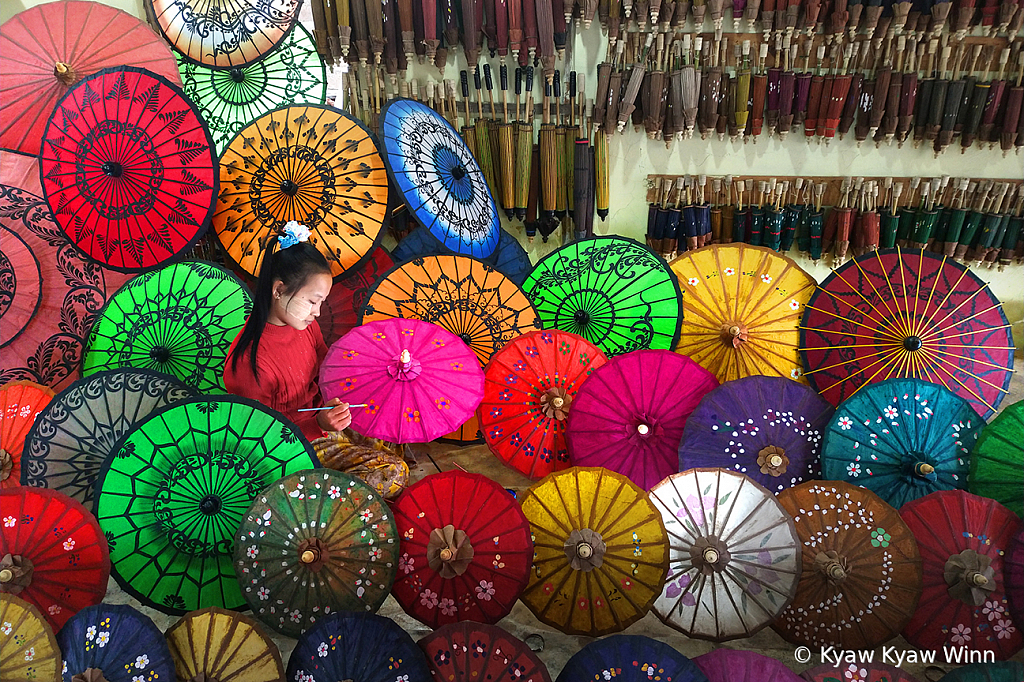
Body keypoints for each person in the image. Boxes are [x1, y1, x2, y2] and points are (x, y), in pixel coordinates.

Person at [224, 221, 351, 441]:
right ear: (279, 290)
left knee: (383, 426)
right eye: (312, 301)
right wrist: (318, 424)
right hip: (292, 442)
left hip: (323, 415)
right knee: (389, 468)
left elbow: (327, 366)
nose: (318, 312)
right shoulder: (249, 364)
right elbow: (258, 437)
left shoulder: (305, 325)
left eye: (321, 302)